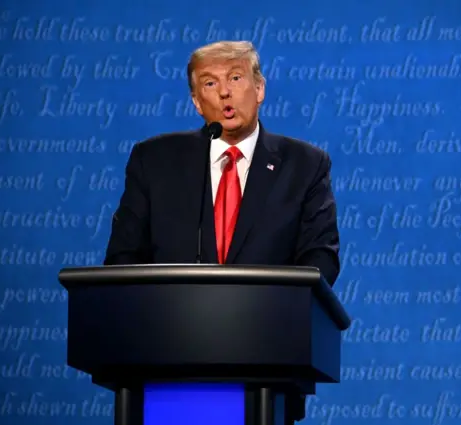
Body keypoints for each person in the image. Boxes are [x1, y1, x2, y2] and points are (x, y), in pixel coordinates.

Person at [103, 40, 341, 424]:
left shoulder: (305, 165)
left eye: (235, 77)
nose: (225, 92)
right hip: (163, 364)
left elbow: (321, 259)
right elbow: (123, 258)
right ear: (197, 102)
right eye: (210, 84)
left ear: (259, 89)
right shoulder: (155, 161)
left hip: (267, 368)